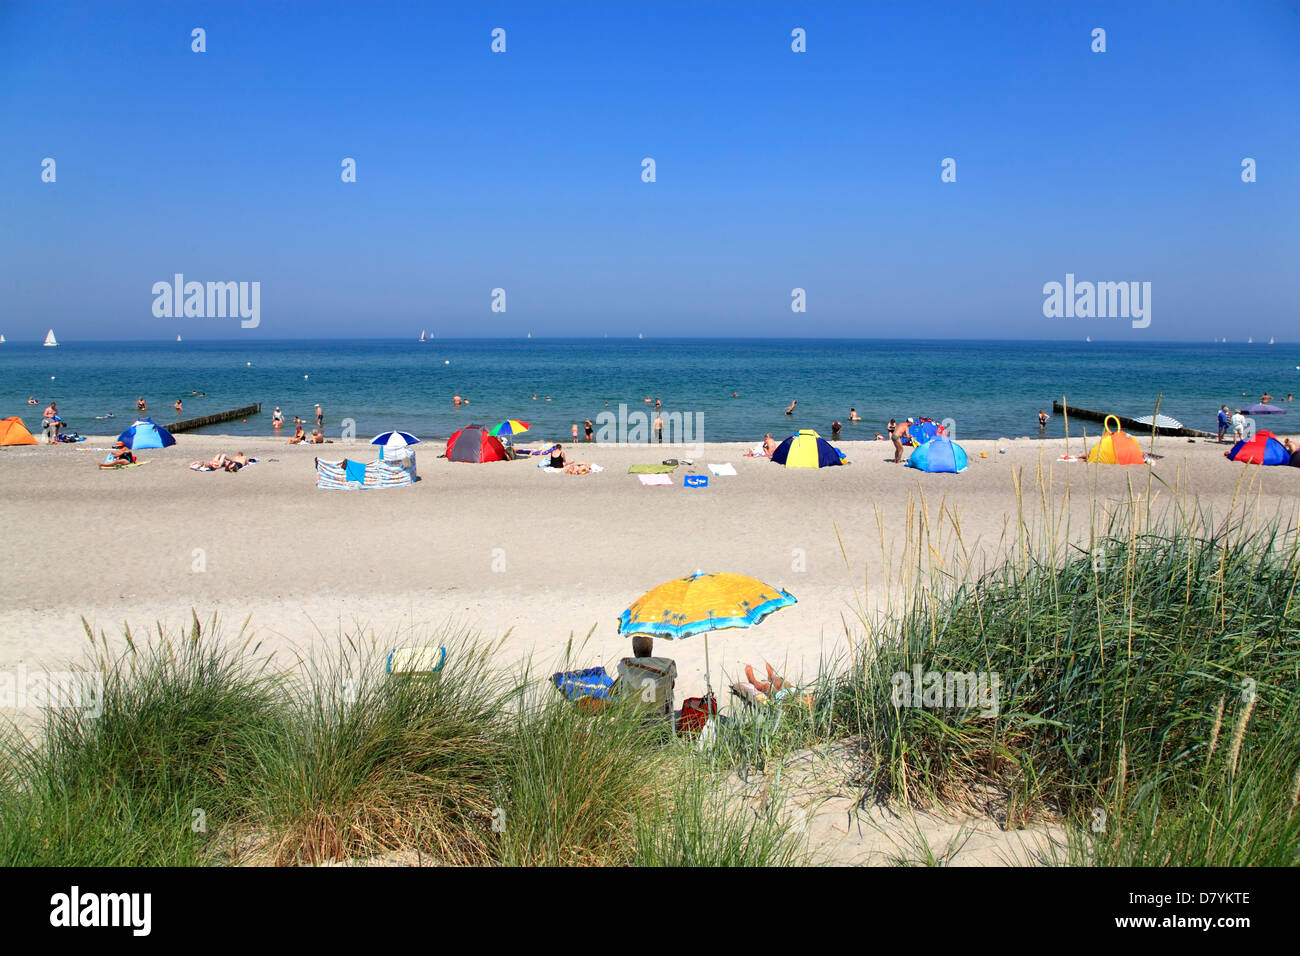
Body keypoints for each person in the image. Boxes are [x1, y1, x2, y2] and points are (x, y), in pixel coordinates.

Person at [615, 634, 677, 718]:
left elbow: (614, 692)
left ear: (634, 649)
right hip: (660, 720)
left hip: (632, 721)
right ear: (651, 648)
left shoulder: (626, 666)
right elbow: (671, 685)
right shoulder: (666, 665)